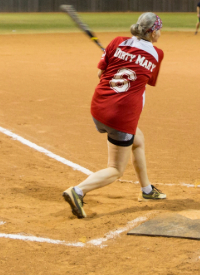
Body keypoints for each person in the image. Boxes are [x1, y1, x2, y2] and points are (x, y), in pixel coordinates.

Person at [63, 13, 166, 219]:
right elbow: (146, 80)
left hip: (98, 108)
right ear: (153, 32)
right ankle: (78, 191)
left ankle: (147, 191)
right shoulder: (157, 54)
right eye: (159, 30)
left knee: (138, 139)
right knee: (116, 169)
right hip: (120, 118)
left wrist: (121, 60)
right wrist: (131, 61)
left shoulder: (118, 42)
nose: (160, 33)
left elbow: (102, 75)